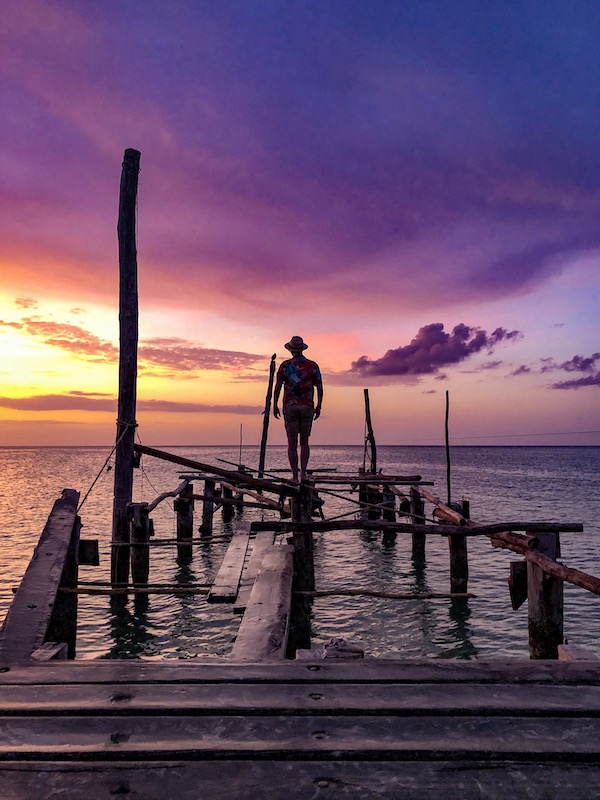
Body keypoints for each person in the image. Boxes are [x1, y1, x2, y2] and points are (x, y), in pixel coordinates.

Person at [273, 335, 323, 483]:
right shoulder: (312, 365)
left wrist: (274, 404)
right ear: (302, 349)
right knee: (305, 442)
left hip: (290, 406)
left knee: (292, 443)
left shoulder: (285, 365)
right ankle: (303, 474)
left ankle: (295, 476)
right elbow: (319, 387)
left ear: (291, 350)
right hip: (307, 406)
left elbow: (278, 386)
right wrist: (319, 405)